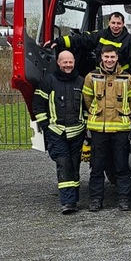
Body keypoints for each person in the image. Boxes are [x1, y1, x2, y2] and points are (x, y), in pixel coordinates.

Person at [81, 46, 131, 212]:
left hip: (120, 129)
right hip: (99, 129)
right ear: (101, 57)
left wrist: (124, 113)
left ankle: (124, 199)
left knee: (121, 166)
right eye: (106, 57)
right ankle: (96, 200)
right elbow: (88, 98)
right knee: (97, 166)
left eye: (112, 57)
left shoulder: (127, 78)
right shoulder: (91, 77)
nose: (109, 60)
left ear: (117, 58)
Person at [32, 51, 86, 214]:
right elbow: (38, 105)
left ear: (74, 62)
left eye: (70, 62)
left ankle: (73, 199)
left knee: (74, 166)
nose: (68, 65)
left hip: (77, 132)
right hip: (57, 132)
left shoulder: (81, 81)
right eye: (65, 62)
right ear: (58, 63)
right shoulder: (49, 81)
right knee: (63, 164)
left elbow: (88, 106)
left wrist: (86, 125)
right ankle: (67, 202)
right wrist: (46, 125)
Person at [47, 12, 131, 75]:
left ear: (123, 24)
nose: (115, 26)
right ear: (109, 23)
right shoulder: (100, 34)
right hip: (99, 76)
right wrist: (58, 41)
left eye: (118, 23)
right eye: (113, 23)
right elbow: (81, 39)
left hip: (119, 78)